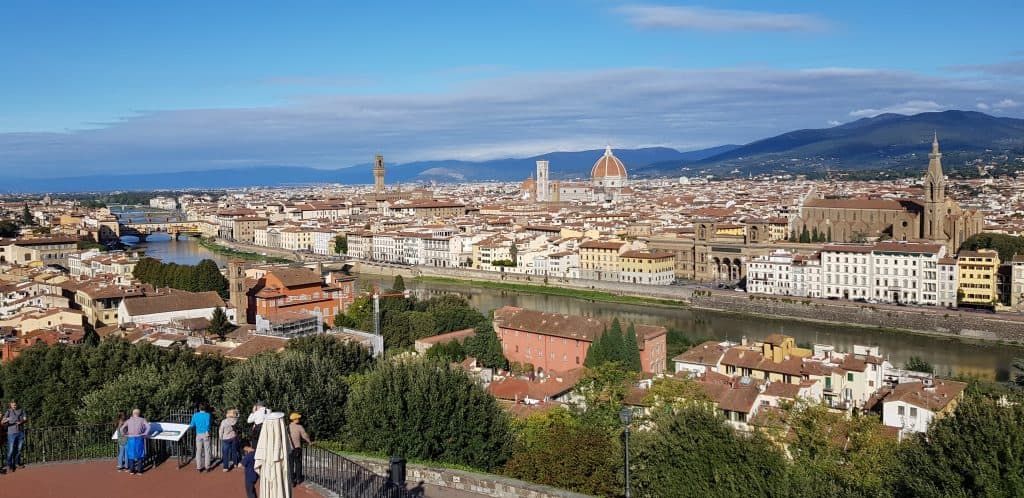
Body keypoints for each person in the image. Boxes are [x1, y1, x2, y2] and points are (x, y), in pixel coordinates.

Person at [120, 408, 150, 476]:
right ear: (139, 413)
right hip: (139, 438)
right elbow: (148, 427)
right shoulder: (142, 420)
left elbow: (121, 429)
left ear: (133, 413)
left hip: (130, 439)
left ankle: (132, 471)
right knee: (140, 454)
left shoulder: (128, 420)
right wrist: (145, 433)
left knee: (131, 455)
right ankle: (139, 471)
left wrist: (124, 434)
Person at [288, 412, 312, 486]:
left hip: (289, 449)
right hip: (297, 448)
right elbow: (304, 435)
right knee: (298, 464)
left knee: (291, 465)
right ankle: (298, 479)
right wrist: (309, 442)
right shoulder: (299, 427)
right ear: (294, 419)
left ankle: (292, 481)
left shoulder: (286, 427)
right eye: (298, 418)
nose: (299, 419)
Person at [2, 400, 27, 473]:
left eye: (15, 405)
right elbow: (3, 421)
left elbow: (26, 419)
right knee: (11, 450)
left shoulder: (21, 410)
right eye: (13, 405)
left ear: (17, 404)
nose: (14, 406)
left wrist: (21, 422)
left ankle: (17, 463)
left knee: (19, 449)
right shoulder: (8, 411)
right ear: (10, 405)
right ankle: (9, 465)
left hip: (20, 432)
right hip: (11, 433)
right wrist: (7, 419)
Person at [188, 403, 213, 472]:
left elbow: (192, 425)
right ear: (205, 408)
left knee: (198, 451)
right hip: (205, 433)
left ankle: (199, 467)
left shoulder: (195, 415)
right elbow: (208, 424)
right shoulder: (207, 415)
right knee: (207, 451)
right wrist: (207, 431)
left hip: (198, 433)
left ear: (199, 408)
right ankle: (207, 467)